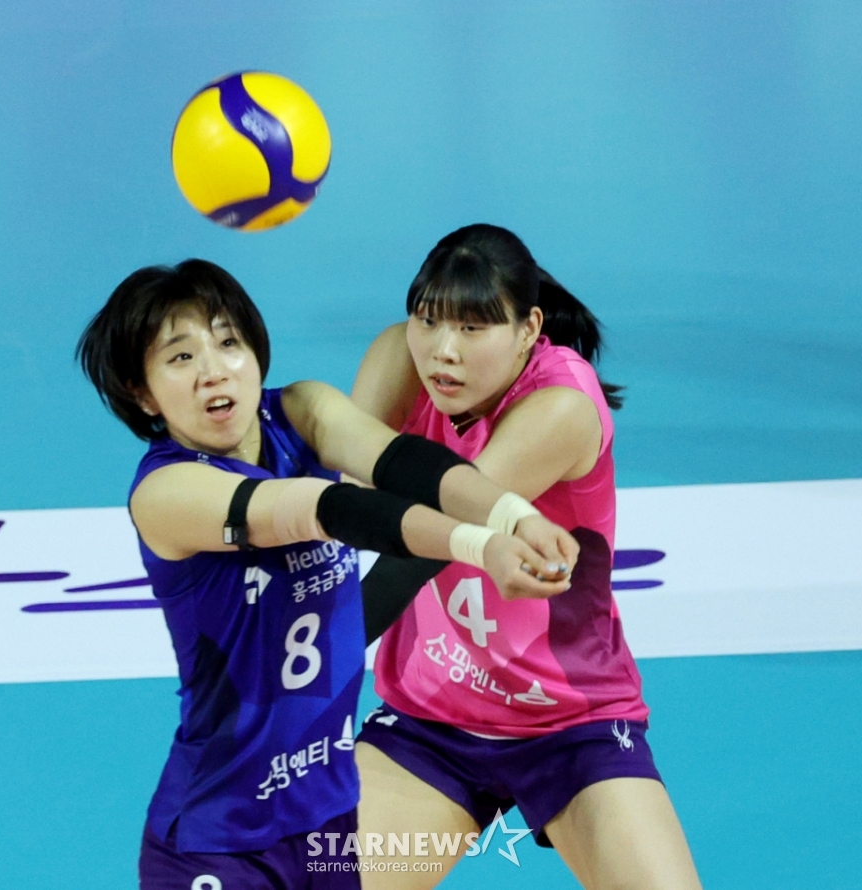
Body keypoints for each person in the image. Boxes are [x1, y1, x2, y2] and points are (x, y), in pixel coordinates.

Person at [76, 258, 579, 890]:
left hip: (329, 822)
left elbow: (399, 462)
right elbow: (322, 508)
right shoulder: (165, 493)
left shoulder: (301, 409)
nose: (214, 370)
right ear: (143, 393)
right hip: (218, 838)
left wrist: (512, 514)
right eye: (180, 357)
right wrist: (481, 546)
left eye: (228, 342)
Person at [352, 225, 703, 890]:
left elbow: (428, 543)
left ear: (528, 329)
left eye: (472, 327)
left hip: (571, 723)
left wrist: (311, 659)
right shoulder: (399, 357)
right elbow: (347, 499)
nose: (442, 350)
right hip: (429, 721)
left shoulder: (562, 406)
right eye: (428, 320)